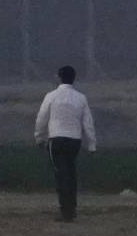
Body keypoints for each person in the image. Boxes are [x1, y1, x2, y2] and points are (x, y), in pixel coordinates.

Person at [34, 64, 96, 222]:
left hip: (56, 139)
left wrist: (39, 137)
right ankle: (72, 207)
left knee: (61, 174)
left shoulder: (51, 96)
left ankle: (65, 210)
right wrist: (92, 143)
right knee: (71, 172)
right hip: (74, 140)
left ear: (59, 78)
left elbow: (42, 118)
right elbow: (88, 122)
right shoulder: (81, 97)